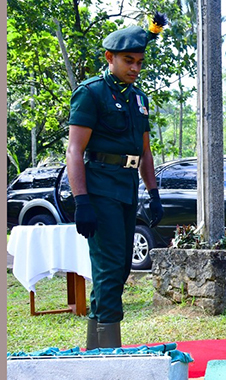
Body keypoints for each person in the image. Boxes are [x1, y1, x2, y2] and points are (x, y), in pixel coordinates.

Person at [66, 15, 167, 350]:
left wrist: (153, 193)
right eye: (128, 61)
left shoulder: (139, 98)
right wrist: (82, 201)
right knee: (109, 268)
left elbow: (145, 151)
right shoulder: (91, 93)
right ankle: (110, 353)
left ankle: (95, 350)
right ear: (110, 58)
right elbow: (75, 150)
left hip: (126, 189)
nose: (135, 68)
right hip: (99, 189)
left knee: (120, 268)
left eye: (139, 62)